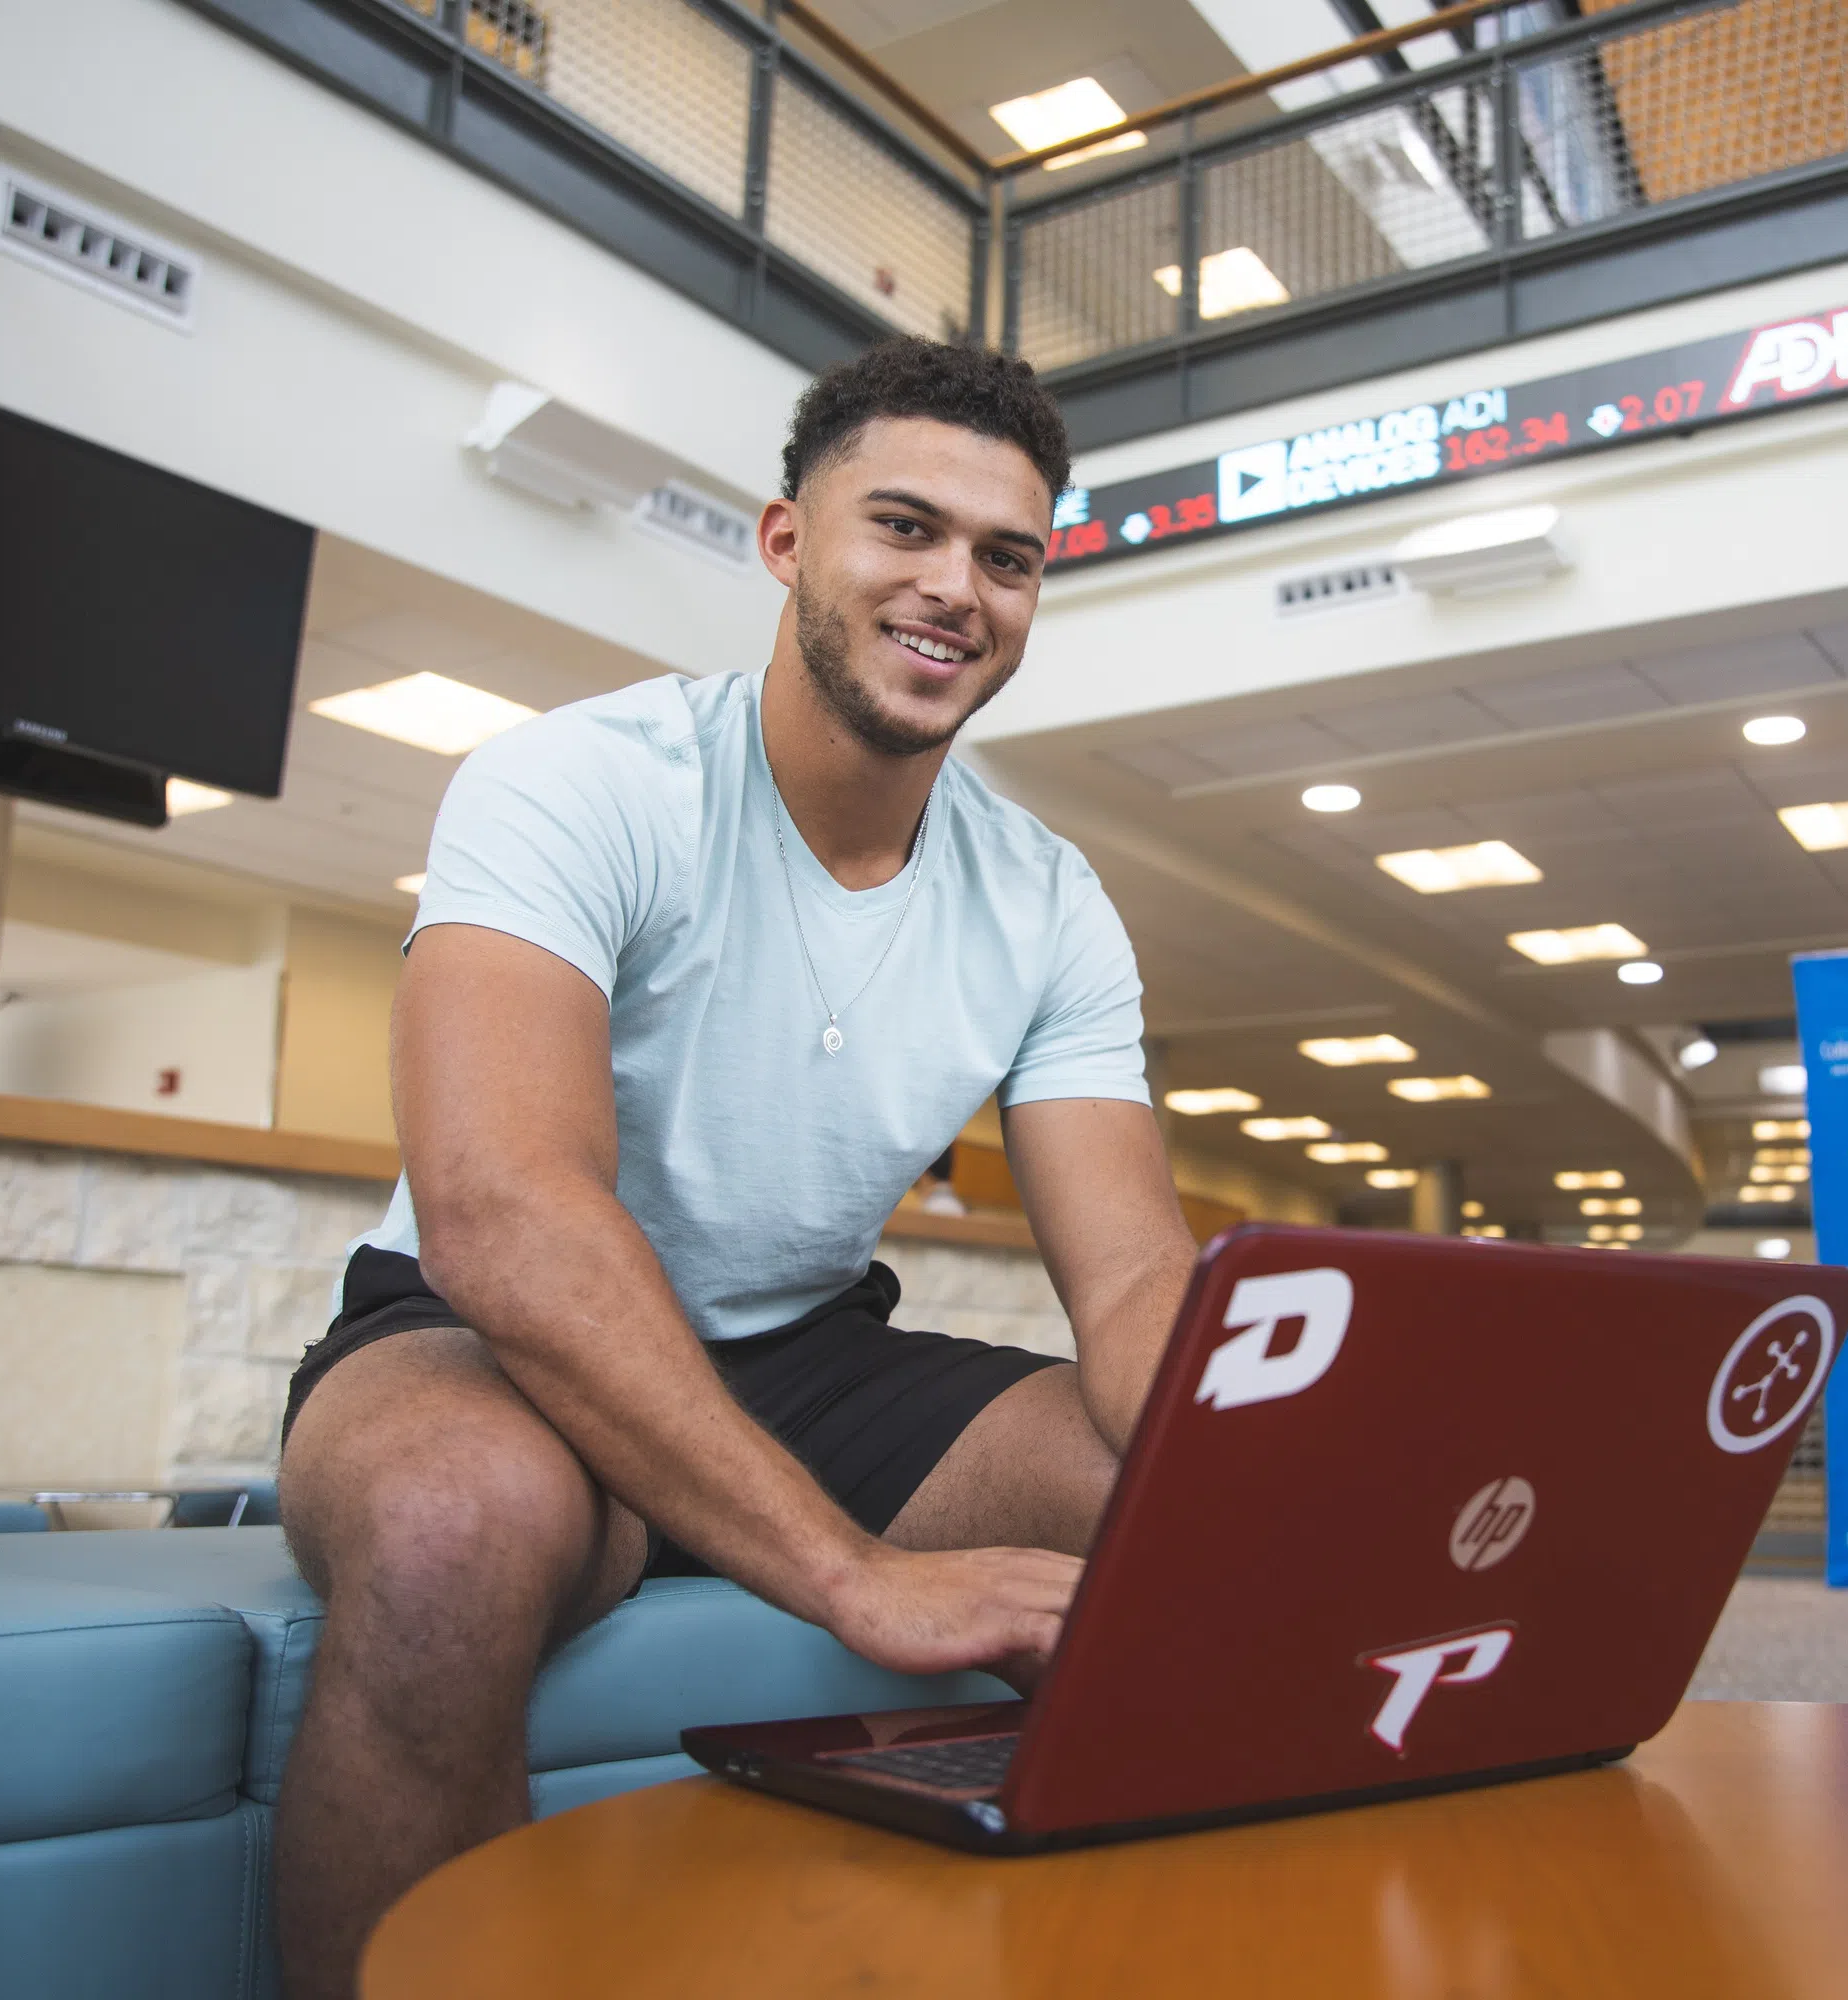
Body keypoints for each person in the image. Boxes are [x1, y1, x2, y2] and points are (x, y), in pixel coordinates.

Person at [270, 339, 1197, 1999]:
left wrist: (1273, 1477)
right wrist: (852, 1575)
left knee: (1176, 1525)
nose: (954, 588)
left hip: (808, 1352)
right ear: (786, 542)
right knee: (446, 1528)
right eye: (902, 527)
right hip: (485, 1333)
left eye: (1008, 556)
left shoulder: (1049, 897)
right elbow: (507, 1209)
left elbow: (1133, 1281)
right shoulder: (578, 782)